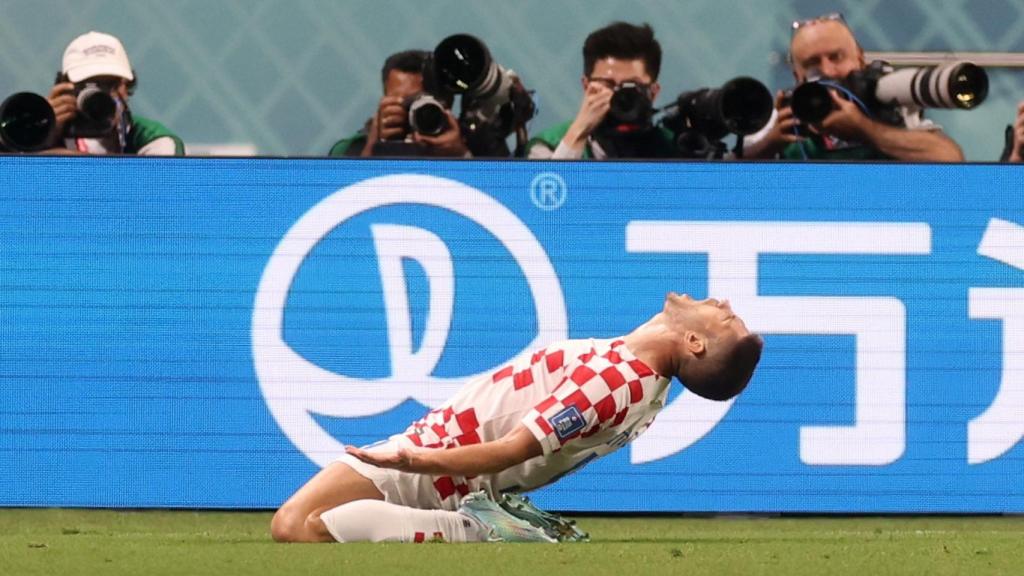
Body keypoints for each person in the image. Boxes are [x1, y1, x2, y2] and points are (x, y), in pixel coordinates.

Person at [271, 293, 763, 543]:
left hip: (438, 468)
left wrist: (412, 459)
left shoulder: (616, 381)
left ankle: (478, 529)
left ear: (694, 344)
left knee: (296, 528)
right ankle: (483, 516)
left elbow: (513, 449)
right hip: (438, 450)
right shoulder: (639, 372)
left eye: (724, 318)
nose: (720, 302)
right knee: (296, 524)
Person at [744, 14, 963, 162]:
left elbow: (951, 159)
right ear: (797, 76)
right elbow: (718, 181)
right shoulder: (783, 121)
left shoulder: (890, 107)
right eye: (812, 63)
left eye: (836, 57)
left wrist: (864, 128)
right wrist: (770, 143)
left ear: (860, 59)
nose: (828, 71)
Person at [526, 22, 677, 160]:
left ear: (653, 92)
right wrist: (578, 134)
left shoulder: (674, 148)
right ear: (587, 87)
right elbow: (554, 186)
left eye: (631, 87)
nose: (620, 97)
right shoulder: (548, 145)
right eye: (607, 85)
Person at [47, 31, 184, 156]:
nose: (101, 96)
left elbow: (163, 182)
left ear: (125, 87)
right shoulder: (48, 134)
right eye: (88, 86)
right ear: (64, 89)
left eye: (111, 85)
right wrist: (43, 135)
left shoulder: (154, 139)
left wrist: (61, 161)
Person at [328, 50, 469, 158]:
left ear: (446, 103)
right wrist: (373, 148)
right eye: (405, 103)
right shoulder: (350, 150)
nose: (415, 111)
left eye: (424, 102)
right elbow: (343, 194)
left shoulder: (474, 145)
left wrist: (461, 158)